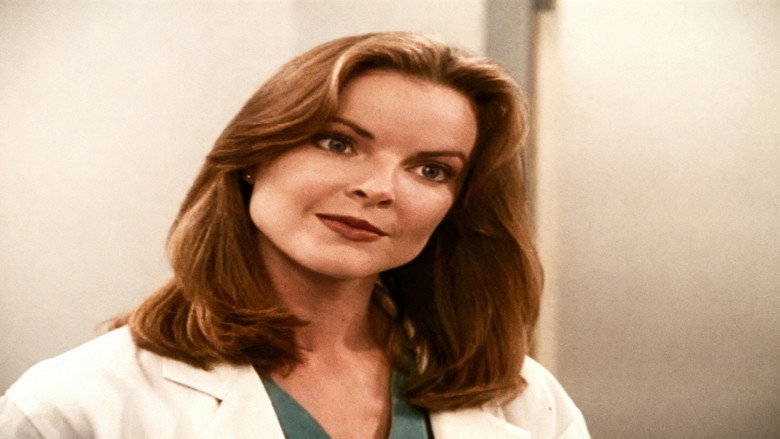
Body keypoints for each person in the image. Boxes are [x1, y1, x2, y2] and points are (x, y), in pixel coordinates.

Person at [0, 32, 589, 438]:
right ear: (254, 155)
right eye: (338, 143)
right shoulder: (78, 402)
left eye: (431, 170)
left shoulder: (522, 399)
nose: (379, 189)